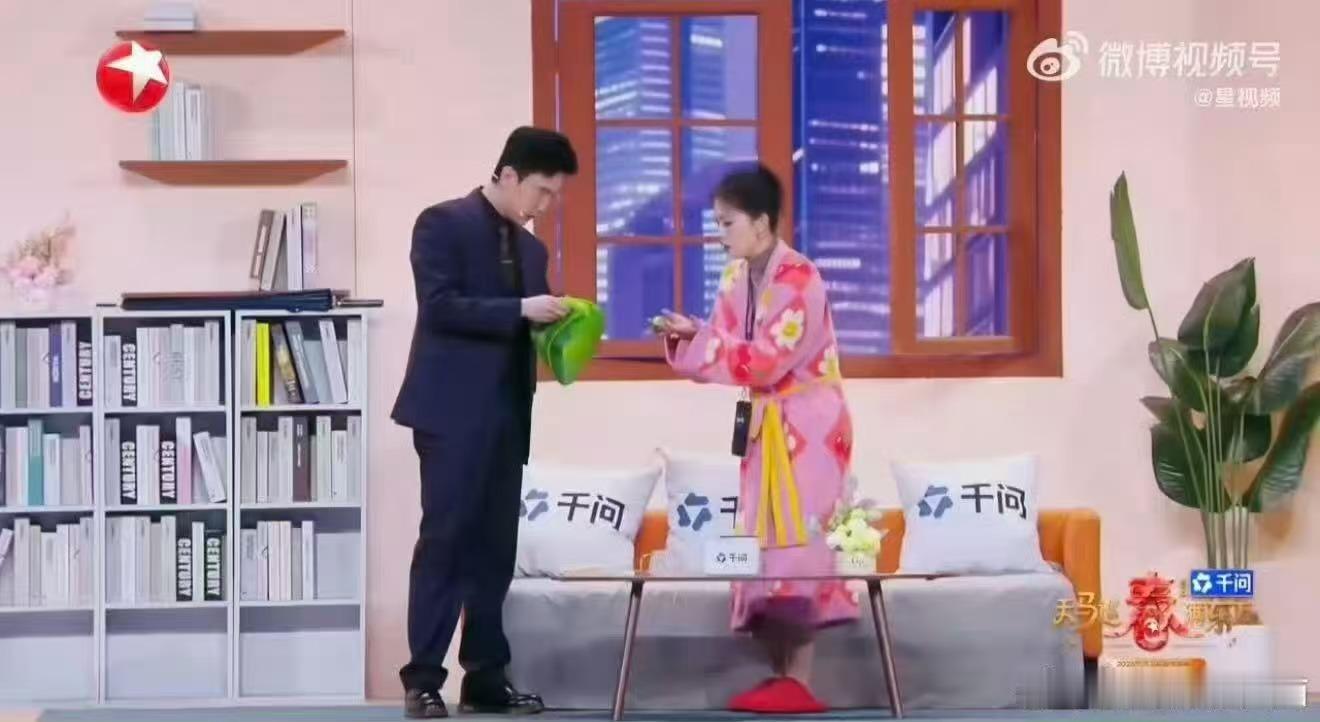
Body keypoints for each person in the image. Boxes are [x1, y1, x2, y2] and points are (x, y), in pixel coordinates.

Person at [653, 164, 859, 714]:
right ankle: (779, 675)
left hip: (810, 425)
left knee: (798, 544)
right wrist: (692, 334)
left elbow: (765, 361)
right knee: (761, 546)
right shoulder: (734, 278)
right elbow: (724, 343)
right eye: (718, 223)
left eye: (728, 223)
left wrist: (703, 341)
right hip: (765, 423)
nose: (719, 234)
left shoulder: (801, 278)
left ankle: (801, 681)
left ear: (762, 222)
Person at [391, 126, 578, 719]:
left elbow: (524, 331)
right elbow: (440, 307)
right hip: (449, 414)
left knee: (496, 551)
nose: (545, 205)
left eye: (555, 196)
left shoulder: (532, 252)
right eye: (542, 191)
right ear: (509, 175)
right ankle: (423, 680)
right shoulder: (441, 223)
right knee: (445, 543)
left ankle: (486, 678)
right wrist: (521, 308)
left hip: (507, 415)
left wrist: (562, 326)